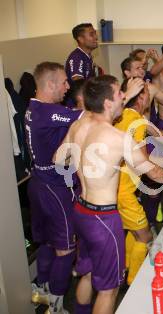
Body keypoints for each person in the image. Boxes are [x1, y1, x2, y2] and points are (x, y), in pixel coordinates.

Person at [54, 75, 163, 314]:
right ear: (107, 103)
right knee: (109, 289)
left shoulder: (79, 126)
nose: (123, 99)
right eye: (119, 95)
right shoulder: (117, 138)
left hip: (81, 210)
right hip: (103, 219)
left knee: (88, 273)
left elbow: (58, 159)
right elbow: (153, 173)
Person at [115, 79, 163, 285]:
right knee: (145, 237)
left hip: (118, 192)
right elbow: (146, 166)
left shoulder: (127, 117)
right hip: (122, 194)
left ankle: (126, 268)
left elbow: (157, 136)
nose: (152, 97)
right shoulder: (133, 121)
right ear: (141, 97)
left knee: (134, 231)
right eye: (149, 93)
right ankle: (133, 282)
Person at [26, 62, 84, 313]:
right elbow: (84, 116)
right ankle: (57, 302)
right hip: (53, 187)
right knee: (66, 248)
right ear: (49, 84)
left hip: (40, 182)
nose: (67, 86)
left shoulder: (35, 109)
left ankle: (41, 286)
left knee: (49, 242)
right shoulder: (48, 112)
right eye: (63, 82)